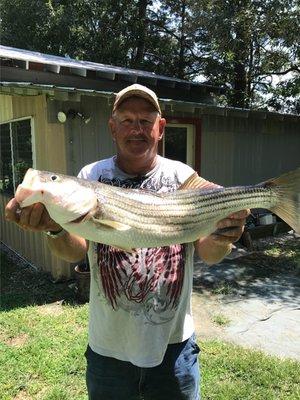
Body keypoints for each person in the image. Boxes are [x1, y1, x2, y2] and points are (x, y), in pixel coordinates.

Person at [5, 84, 249, 400]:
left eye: (146, 121)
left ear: (160, 128)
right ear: (112, 127)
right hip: (109, 349)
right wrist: (54, 230)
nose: (137, 129)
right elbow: (76, 250)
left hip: (174, 347)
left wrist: (223, 234)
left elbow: (209, 253)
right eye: (127, 120)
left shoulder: (182, 175)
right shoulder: (90, 175)